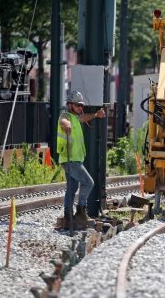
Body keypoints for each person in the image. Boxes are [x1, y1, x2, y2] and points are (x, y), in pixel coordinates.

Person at [57, 91, 106, 234]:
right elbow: (62, 121)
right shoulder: (66, 116)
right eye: (78, 105)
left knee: (71, 189)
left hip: (73, 159)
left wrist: (96, 115)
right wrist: (67, 125)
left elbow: (83, 118)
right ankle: (80, 211)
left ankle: (68, 218)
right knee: (89, 182)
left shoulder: (75, 117)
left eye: (81, 105)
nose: (80, 107)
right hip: (71, 159)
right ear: (70, 105)